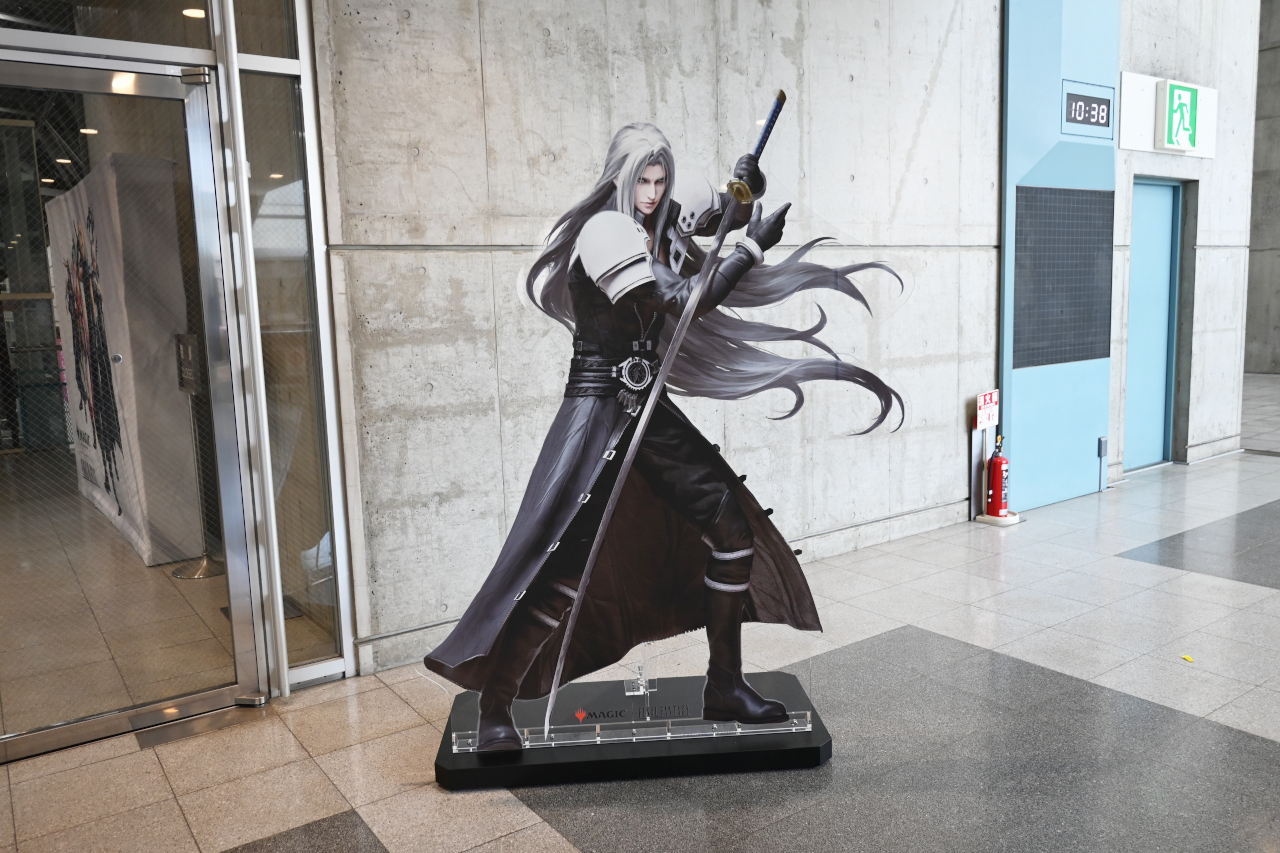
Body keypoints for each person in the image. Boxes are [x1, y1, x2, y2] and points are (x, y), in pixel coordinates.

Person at [425, 122, 901, 751]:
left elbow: (720, 209)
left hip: (648, 411)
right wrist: (750, 249)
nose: (652, 194)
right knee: (564, 567)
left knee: (732, 532)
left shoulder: (660, 210)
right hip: (601, 416)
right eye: (641, 181)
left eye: (659, 180)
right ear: (619, 179)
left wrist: (747, 190)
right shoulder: (605, 232)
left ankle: (724, 685)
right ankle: (495, 707)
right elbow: (680, 300)